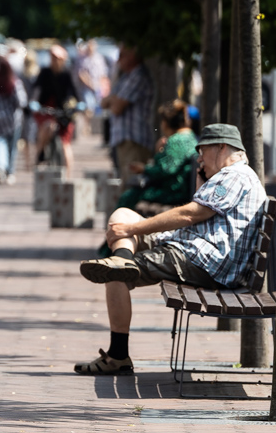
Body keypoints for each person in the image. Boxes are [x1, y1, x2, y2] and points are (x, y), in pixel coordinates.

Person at [74, 124, 266, 375]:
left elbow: (191, 214)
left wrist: (136, 230)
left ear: (221, 147)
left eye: (202, 151)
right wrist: (201, 184)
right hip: (195, 251)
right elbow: (204, 217)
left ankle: (118, 355)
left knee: (115, 268)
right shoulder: (230, 177)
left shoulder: (235, 175)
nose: (199, 158)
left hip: (206, 261)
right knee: (122, 216)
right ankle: (122, 259)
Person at [116, 101, 199, 216]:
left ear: (166, 122)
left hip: (174, 191)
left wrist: (145, 169)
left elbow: (165, 170)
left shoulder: (176, 140)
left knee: (128, 197)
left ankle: (121, 231)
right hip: (181, 188)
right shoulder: (191, 137)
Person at [103, 45, 154, 175]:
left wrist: (113, 100)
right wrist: (114, 100)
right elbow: (104, 102)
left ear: (132, 56)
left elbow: (116, 108)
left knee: (132, 185)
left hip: (134, 139)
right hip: (122, 139)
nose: (118, 60)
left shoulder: (139, 75)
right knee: (125, 183)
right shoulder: (125, 77)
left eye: (121, 56)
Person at [33, 44, 80, 173]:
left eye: (57, 58)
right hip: (47, 108)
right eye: (52, 57)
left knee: (65, 144)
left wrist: (78, 104)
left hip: (64, 112)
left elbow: (74, 92)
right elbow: (37, 89)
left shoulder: (67, 73)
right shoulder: (45, 72)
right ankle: (40, 154)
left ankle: (68, 176)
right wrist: (34, 102)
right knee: (47, 127)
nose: (54, 60)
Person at [0, 56, 27, 185]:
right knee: (12, 147)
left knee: (0, 143)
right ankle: (10, 172)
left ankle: (1, 165)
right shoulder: (14, 82)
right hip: (13, 120)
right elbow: (21, 101)